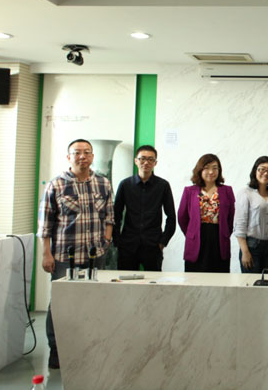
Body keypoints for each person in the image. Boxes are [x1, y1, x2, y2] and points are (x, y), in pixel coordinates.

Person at [38, 138, 114, 369]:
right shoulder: (56, 185)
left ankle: (88, 347)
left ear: (92, 156)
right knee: (60, 303)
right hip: (64, 256)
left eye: (87, 152)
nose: (82, 156)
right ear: (68, 156)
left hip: (94, 255)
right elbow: (45, 224)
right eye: (77, 152)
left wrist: (106, 241)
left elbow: (109, 216)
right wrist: (46, 254)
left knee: (92, 301)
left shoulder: (103, 183)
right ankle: (56, 351)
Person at [113, 145, 176, 271]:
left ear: (155, 163)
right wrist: (117, 240)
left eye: (150, 159)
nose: (146, 162)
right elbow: (116, 214)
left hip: (153, 245)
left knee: (153, 282)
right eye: (142, 159)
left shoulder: (163, 185)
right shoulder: (125, 184)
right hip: (128, 244)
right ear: (136, 161)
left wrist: (163, 242)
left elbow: (171, 217)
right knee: (126, 280)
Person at [177, 154, 235, 272]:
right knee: (194, 278)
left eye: (215, 168)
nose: (211, 172)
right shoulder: (189, 191)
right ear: (200, 170)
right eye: (206, 168)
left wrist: (225, 233)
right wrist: (191, 233)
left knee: (219, 276)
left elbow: (231, 217)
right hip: (196, 240)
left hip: (219, 240)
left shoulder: (227, 191)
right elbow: (182, 217)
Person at [234, 156, 268, 273]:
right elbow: (240, 226)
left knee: (266, 281)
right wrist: (245, 252)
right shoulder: (245, 193)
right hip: (252, 247)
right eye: (262, 169)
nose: (266, 173)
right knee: (251, 282)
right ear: (255, 171)